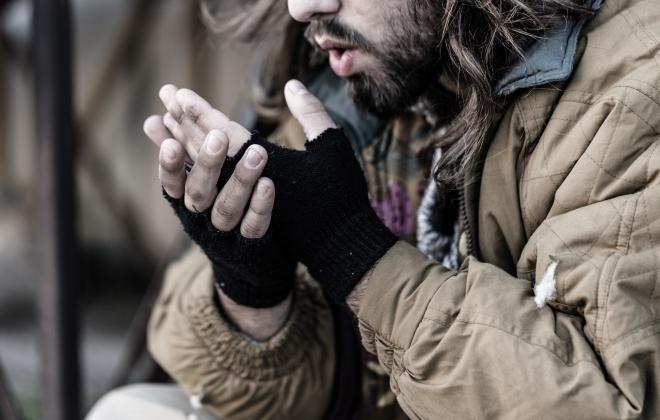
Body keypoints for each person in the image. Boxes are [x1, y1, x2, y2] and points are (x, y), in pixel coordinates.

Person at [87, 0, 660, 419]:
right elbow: (276, 389)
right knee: (133, 412)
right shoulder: (363, 67)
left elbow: (607, 404)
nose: (304, 7)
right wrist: (254, 297)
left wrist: (358, 258)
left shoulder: (631, 90)